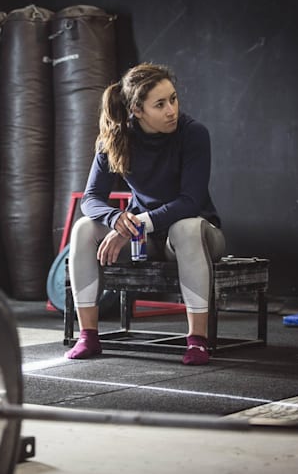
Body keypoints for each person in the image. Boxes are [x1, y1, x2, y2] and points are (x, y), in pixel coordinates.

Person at [65, 62, 225, 366]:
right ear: (137, 110)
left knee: (185, 227)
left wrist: (136, 223)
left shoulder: (194, 134)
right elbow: (91, 198)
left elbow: (190, 201)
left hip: (201, 237)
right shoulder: (114, 139)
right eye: (160, 104)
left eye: (173, 99)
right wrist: (115, 219)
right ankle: (88, 336)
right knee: (84, 228)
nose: (171, 110)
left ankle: (198, 341)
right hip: (147, 239)